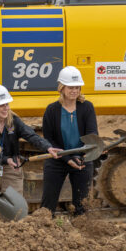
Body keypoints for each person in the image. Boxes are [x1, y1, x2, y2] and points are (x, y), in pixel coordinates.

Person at [0, 84, 61, 228]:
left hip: (12, 171)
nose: (6, 108)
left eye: (7, 104)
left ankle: (12, 242)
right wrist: (5, 160)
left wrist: (47, 147)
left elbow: (31, 135)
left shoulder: (14, 122)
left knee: (14, 212)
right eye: (1, 105)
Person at [41, 66, 98, 215]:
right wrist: (67, 158)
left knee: (82, 204)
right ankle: (47, 229)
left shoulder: (87, 107)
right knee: (48, 204)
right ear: (62, 88)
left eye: (77, 87)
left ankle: (82, 231)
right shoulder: (52, 110)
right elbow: (49, 139)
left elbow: (92, 134)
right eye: (70, 87)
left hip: (82, 159)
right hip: (57, 159)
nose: (74, 90)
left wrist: (81, 156)